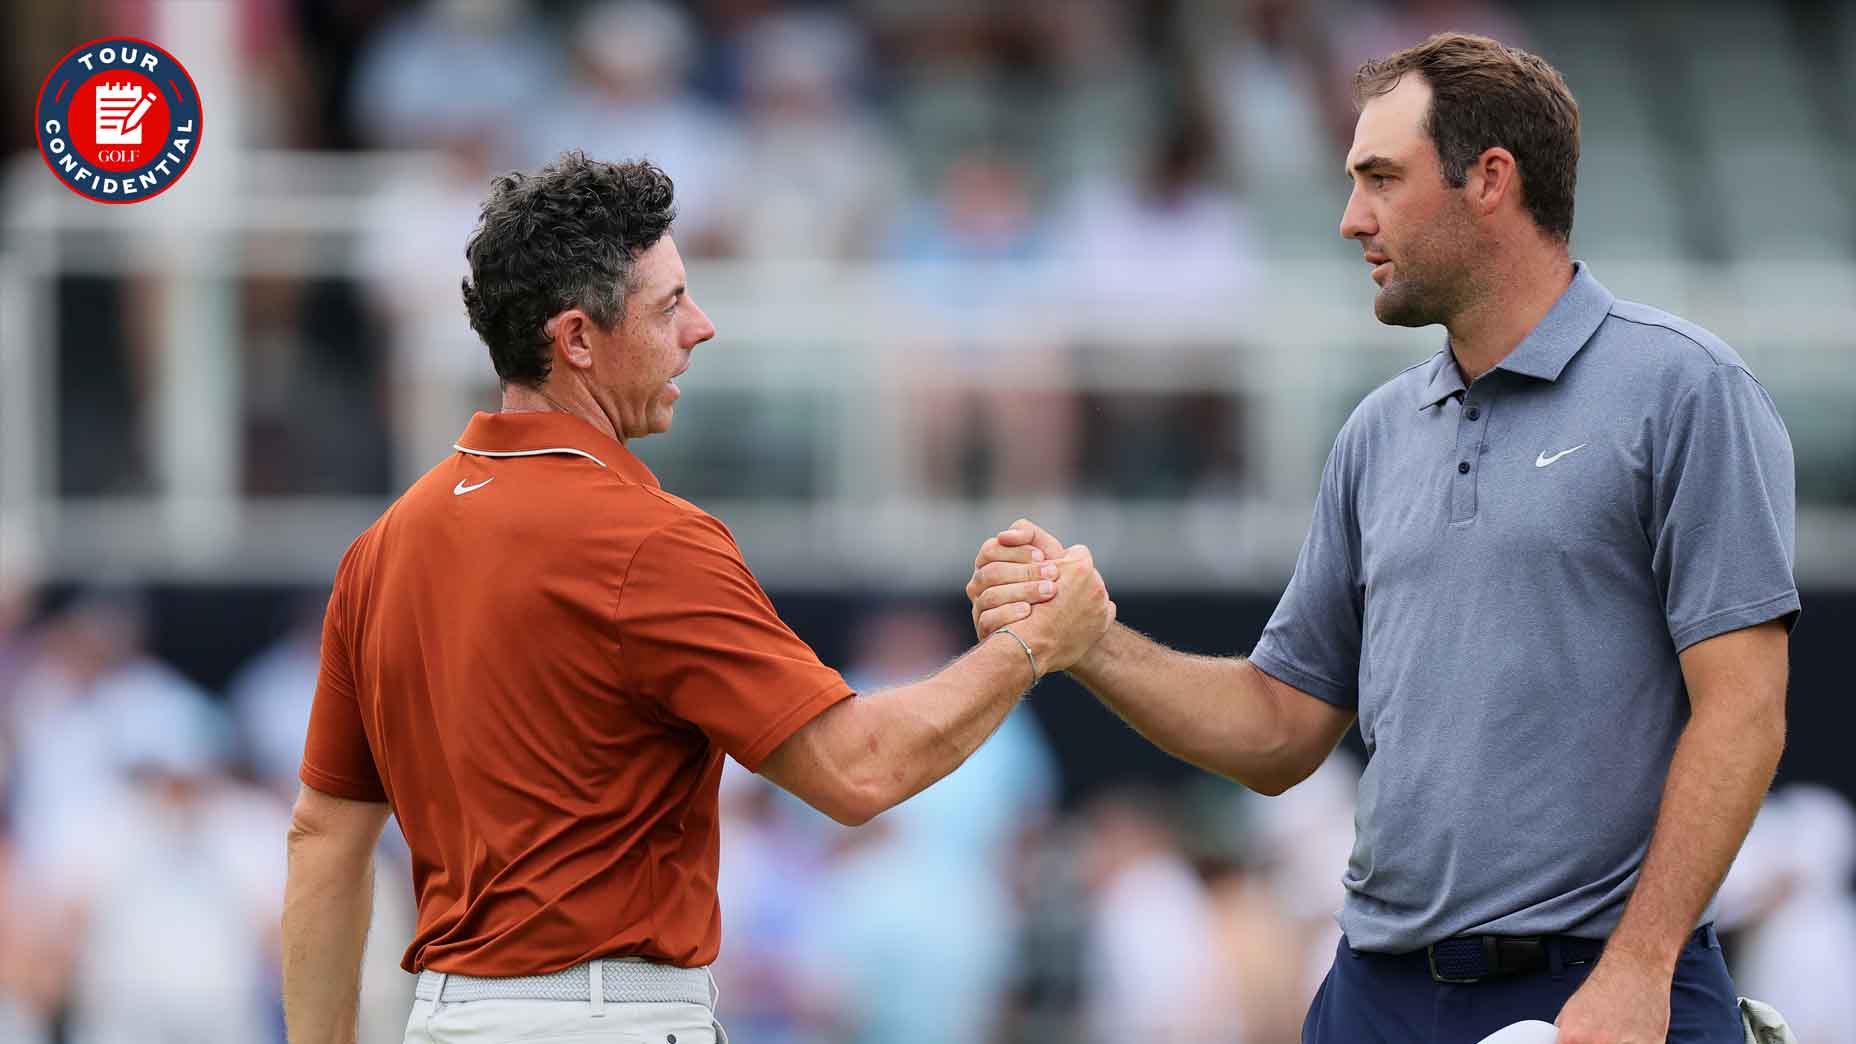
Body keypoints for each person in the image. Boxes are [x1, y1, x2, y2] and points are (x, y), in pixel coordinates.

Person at [968, 32, 1796, 1044]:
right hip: (1375, 994)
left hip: (1608, 990)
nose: (1349, 216)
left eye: (1379, 178)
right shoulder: (1373, 432)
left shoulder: (1684, 390)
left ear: (1488, 180)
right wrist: (1092, 643)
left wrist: (1638, 966)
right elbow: (1278, 731)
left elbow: (1743, 713)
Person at [281, 152, 1114, 1044]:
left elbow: (325, 837)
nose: (702, 328)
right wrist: (1032, 644)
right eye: (670, 304)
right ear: (576, 340)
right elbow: (857, 770)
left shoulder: (381, 548)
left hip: (449, 1020)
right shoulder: (651, 539)